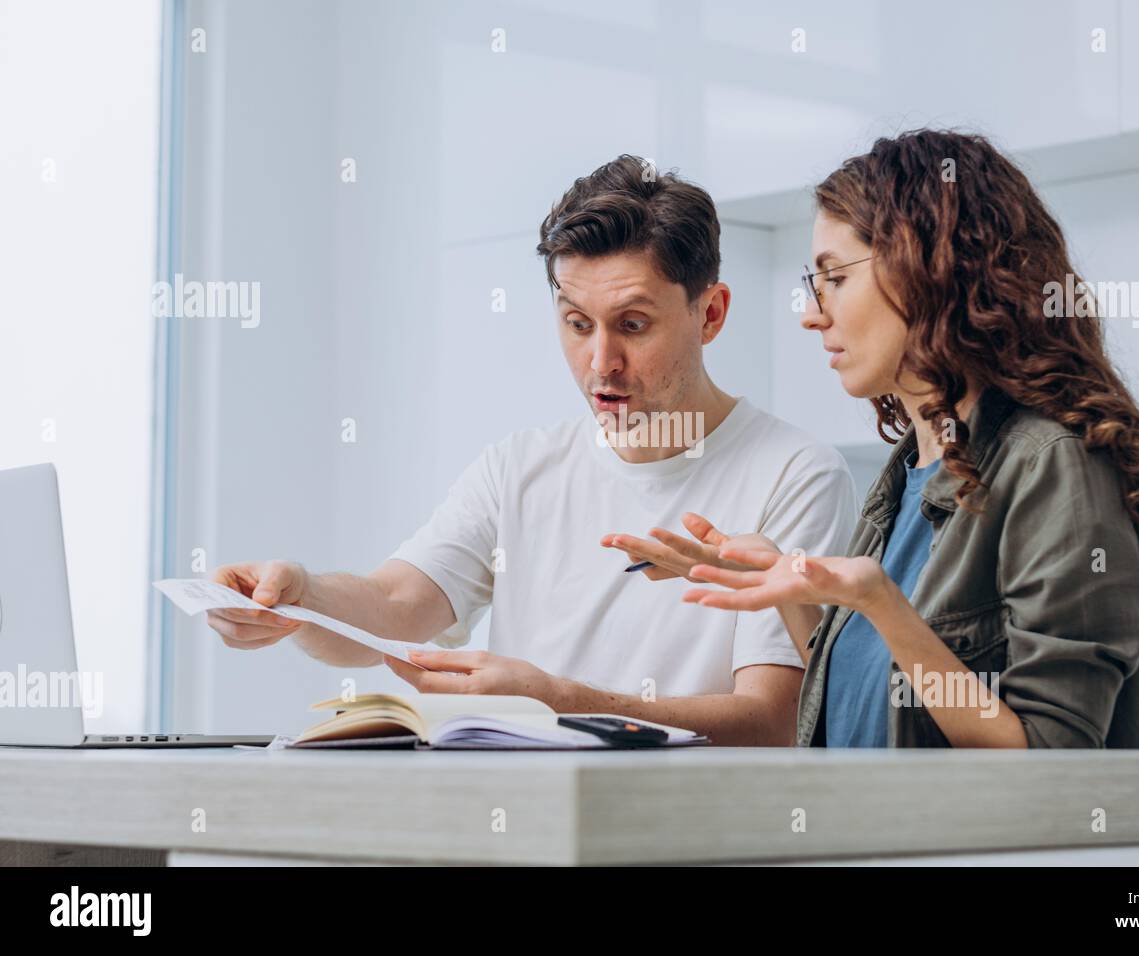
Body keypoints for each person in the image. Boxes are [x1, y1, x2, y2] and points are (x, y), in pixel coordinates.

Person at [203, 155, 857, 746]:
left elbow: (776, 721)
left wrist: (559, 703)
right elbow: (395, 605)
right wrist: (298, 598)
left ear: (709, 314)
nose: (601, 362)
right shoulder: (517, 468)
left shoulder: (796, 475)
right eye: (576, 323)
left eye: (633, 325)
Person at [655, 130, 1139, 748]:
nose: (812, 313)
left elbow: (1053, 764)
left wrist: (881, 603)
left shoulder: (1053, 464)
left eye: (835, 278)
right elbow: (870, 703)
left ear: (927, 269)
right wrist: (793, 589)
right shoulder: (906, 472)